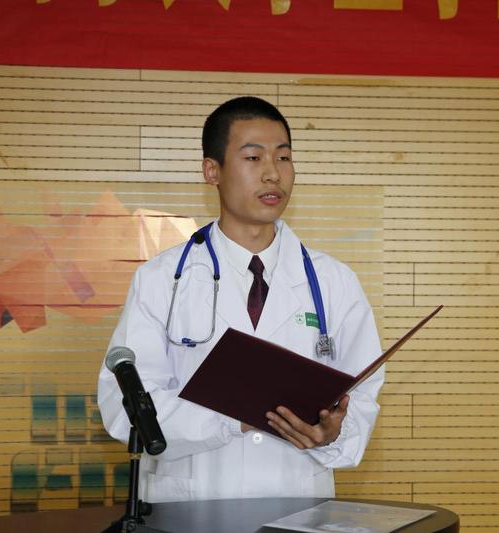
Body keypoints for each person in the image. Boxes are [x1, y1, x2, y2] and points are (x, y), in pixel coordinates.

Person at [97, 96, 384, 503]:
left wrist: (332, 433)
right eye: (253, 157)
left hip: (297, 504)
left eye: (283, 158)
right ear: (212, 170)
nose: (273, 174)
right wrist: (234, 419)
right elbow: (125, 406)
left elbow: (362, 395)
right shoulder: (161, 280)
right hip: (190, 509)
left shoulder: (335, 282)